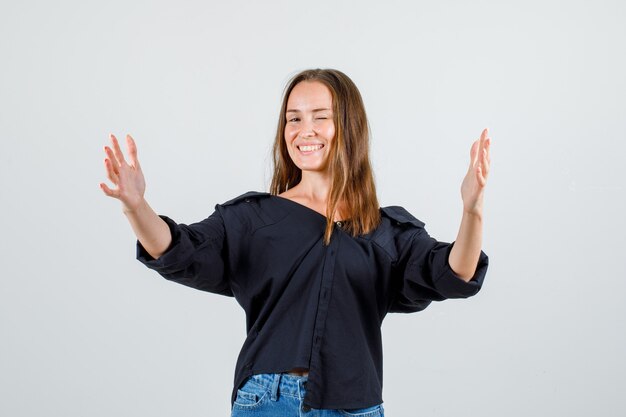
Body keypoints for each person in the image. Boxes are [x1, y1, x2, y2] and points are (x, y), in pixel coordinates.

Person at [100, 68, 491, 417]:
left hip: (355, 407)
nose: (305, 130)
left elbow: (454, 271)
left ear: (349, 126)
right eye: (294, 119)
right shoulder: (253, 218)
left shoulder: (388, 230)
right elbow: (178, 250)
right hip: (269, 402)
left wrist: (471, 210)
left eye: (321, 117)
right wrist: (136, 206)